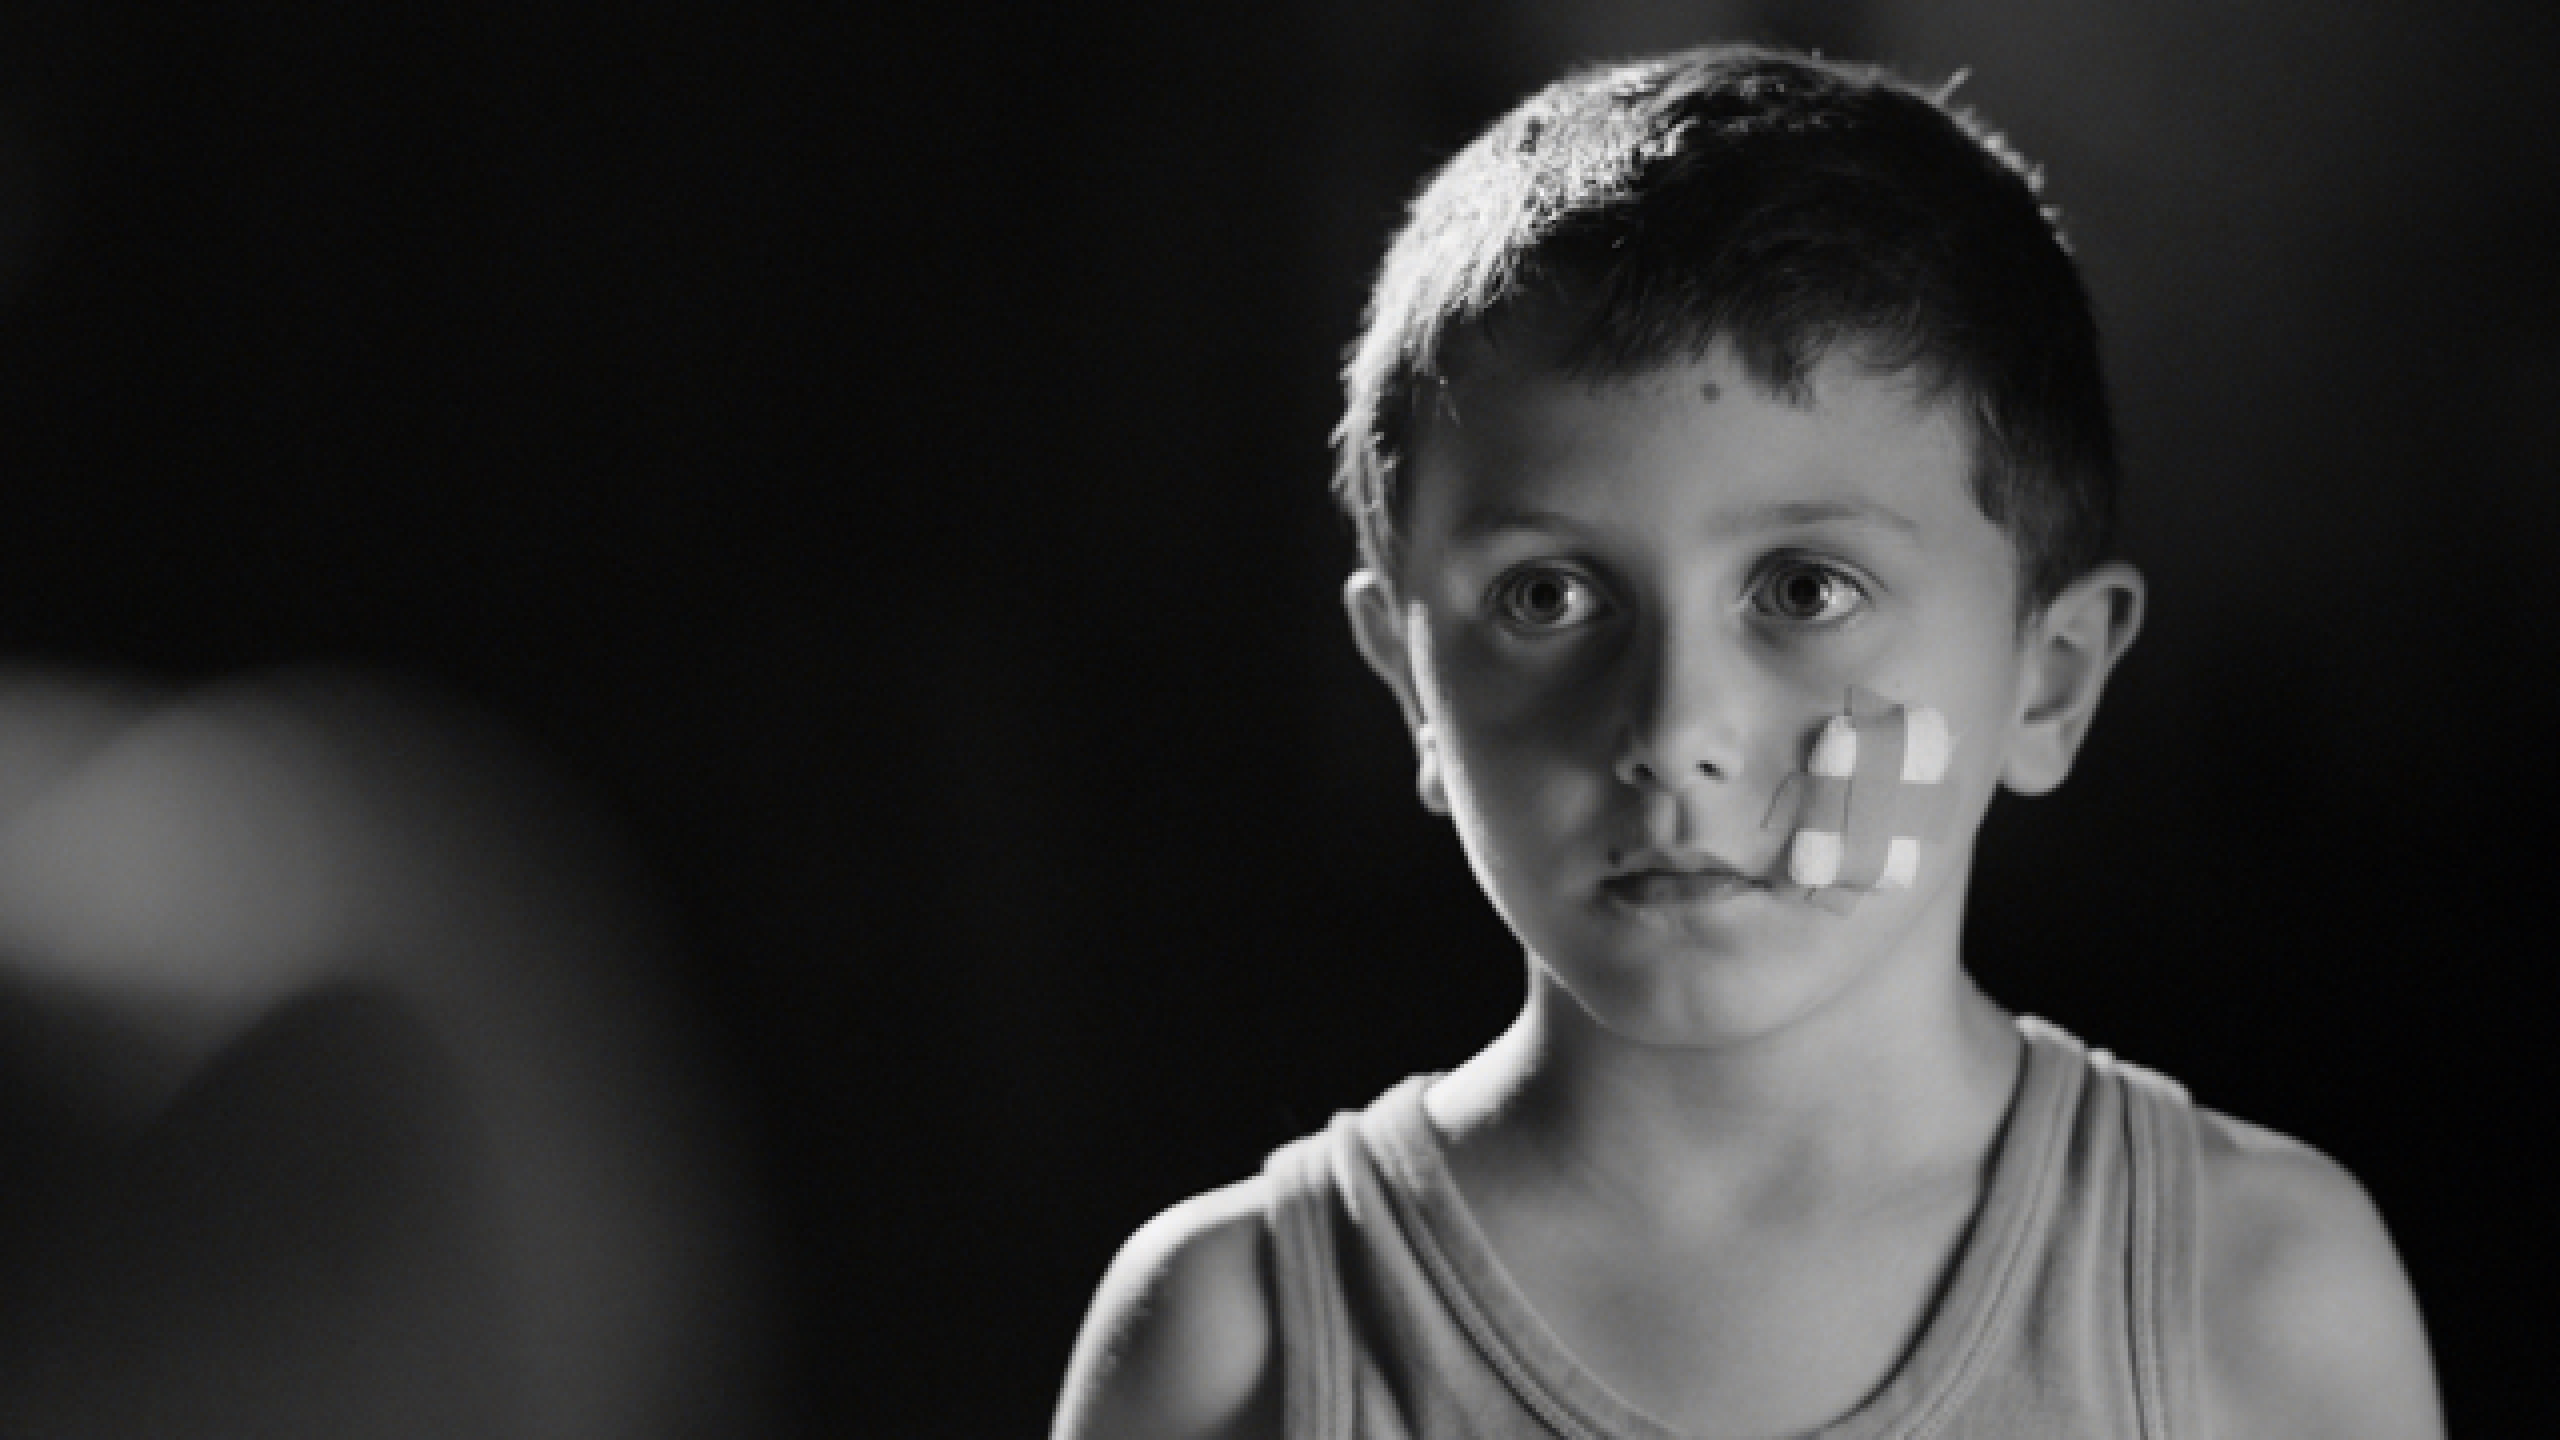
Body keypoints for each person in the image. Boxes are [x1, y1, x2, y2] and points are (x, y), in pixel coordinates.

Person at [1052, 44, 2440, 1440]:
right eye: (1547, 597)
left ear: (2052, 679)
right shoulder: (1244, 1341)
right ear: (1410, 685)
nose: (1670, 733)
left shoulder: (2255, 1299)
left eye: (1804, 590)